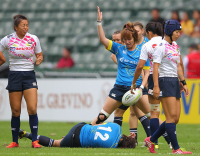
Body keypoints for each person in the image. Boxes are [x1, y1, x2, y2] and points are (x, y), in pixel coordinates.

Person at [91, 7, 150, 140]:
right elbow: (103, 39)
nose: (126, 42)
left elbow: (146, 71)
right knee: (102, 116)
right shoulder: (118, 48)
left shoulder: (142, 51)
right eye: (124, 40)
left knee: (151, 115)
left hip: (135, 89)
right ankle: (82, 132)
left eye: (129, 39)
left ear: (134, 38)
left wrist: (141, 87)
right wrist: (99, 23)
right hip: (119, 88)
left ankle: (163, 140)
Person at [144, 20, 192, 154]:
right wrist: (157, 87)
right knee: (171, 118)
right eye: (177, 32)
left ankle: (151, 139)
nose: (178, 34)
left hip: (174, 82)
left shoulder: (176, 45)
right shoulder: (160, 46)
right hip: (164, 81)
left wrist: (183, 82)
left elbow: (179, 65)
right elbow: (155, 67)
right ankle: (176, 149)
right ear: (170, 32)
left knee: (176, 118)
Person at [0, 14, 43, 148]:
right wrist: (2, 60)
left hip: (29, 75)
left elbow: (39, 55)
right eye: (23, 25)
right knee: (15, 111)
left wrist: (39, 60)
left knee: (32, 108)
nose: (26, 27)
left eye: (27, 25)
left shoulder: (33, 38)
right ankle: (15, 141)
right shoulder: (7, 40)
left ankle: (34, 141)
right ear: (16, 27)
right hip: (14, 75)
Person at [132, 22, 172, 149]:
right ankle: (172, 144)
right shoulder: (168, 43)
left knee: (154, 113)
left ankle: (153, 142)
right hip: (169, 79)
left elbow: (140, 66)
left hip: (153, 79)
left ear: (148, 32)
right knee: (172, 115)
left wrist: (134, 82)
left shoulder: (147, 45)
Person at [111, 22, 151, 145]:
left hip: (142, 81)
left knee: (140, 112)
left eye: (118, 39)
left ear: (141, 31)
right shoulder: (122, 49)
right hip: (131, 83)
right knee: (135, 112)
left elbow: (143, 66)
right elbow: (116, 58)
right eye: (115, 40)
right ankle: (142, 139)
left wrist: (144, 82)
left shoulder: (144, 45)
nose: (117, 41)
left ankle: (150, 137)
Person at [18, 122, 136, 148]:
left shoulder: (116, 127)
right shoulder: (111, 146)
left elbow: (98, 124)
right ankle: (27, 135)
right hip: (77, 139)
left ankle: (26, 134)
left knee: (62, 139)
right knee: (55, 143)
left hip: (81, 126)